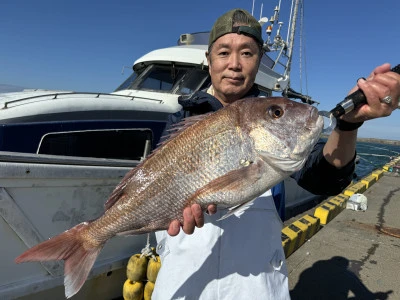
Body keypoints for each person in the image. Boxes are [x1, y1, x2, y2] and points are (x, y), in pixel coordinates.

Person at [151, 8, 400, 300]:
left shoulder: (274, 122)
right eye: (223, 53)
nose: (234, 64)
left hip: (256, 287)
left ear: (259, 62)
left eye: (247, 53)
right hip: (183, 285)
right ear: (208, 60)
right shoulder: (180, 120)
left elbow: (323, 178)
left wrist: (348, 124)